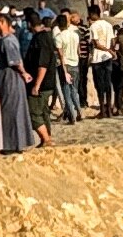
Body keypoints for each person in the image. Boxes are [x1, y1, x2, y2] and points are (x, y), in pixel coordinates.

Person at [21, 16, 58, 148]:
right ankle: (47, 139)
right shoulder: (47, 37)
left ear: (30, 23)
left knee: (33, 113)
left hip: (41, 84)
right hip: (47, 83)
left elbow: (43, 64)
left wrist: (36, 85)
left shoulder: (40, 39)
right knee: (43, 112)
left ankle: (46, 139)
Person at [54, 10, 84, 122]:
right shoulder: (75, 35)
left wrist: (64, 70)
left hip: (65, 65)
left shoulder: (59, 37)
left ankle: (72, 116)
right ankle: (80, 112)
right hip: (75, 64)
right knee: (74, 90)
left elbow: (61, 55)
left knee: (66, 91)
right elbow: (78, 51)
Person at [87, 10, 118, 116]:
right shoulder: (108, 25)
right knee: (108, 84)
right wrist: (111, 50)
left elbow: (96, 44)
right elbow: (113, 41)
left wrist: (106, 50)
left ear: (92, 14)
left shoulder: (93, 26)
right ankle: (109, 109)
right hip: (108, 58)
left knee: (99, 85)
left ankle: (103, 110)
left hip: (98, 59)